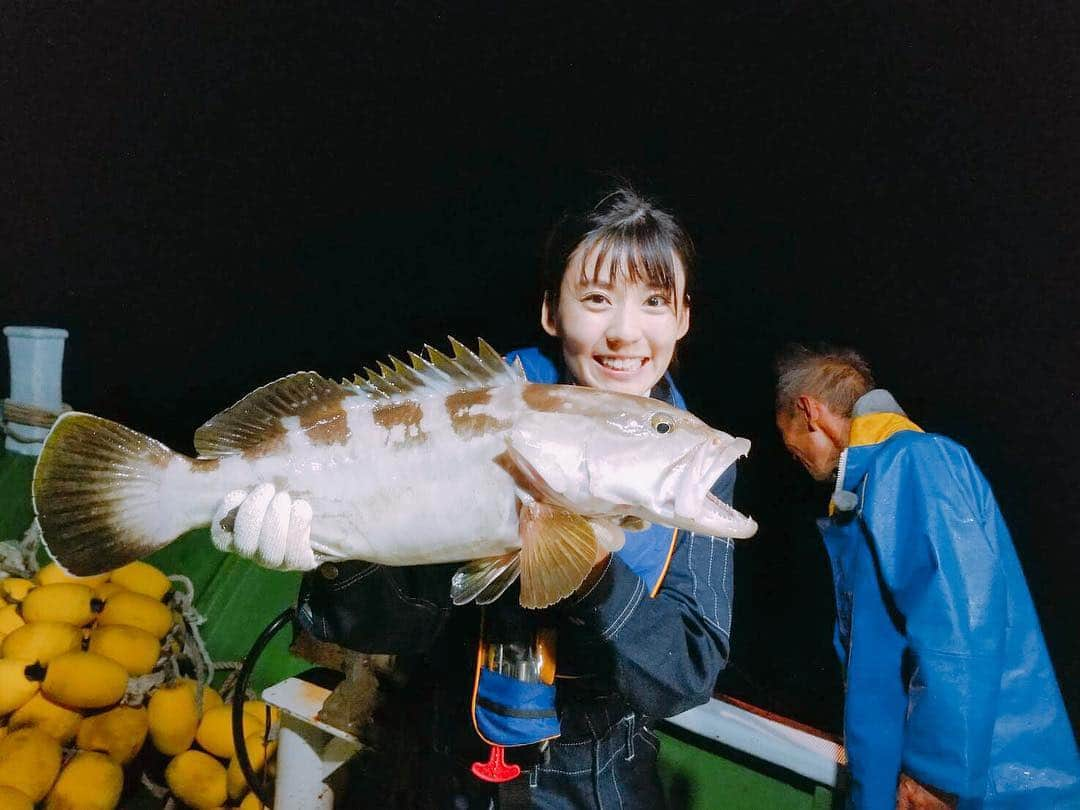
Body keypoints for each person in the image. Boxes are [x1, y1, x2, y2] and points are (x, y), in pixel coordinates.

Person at [212, 186, 740, 808]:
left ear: (683, 318)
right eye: (596, 299)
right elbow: (375, 626)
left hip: (596, 775)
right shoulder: (471, 418)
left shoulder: (685, 460)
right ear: (552, 311)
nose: (625, 332)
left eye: (655, 301)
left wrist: (595, 572)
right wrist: (328, 558)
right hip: (439, 755)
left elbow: (685, 674)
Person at [774, 344, 1080, 809]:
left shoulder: (914, 461)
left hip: (988, 790)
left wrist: (938, 776)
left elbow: (962, 625)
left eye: (787, 437)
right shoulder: (870, 485)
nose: (791, 452)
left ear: (808, 410)